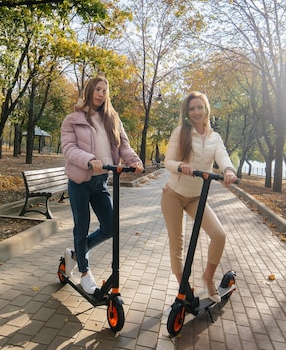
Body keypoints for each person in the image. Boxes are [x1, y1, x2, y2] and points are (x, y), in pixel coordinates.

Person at [61, 76, 144, 294]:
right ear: (89, 90)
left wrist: (133, 160)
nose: (100, 94)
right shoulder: (73, 119)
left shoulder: (112, 119)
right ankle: (85, 273)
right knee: (82, 228)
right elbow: (68, 149)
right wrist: (89, 159)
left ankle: (77, 253)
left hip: (101, 183)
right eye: (97, 89)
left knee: (110, 228)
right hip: (80, 182)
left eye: (104, 90)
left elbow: (123, 145)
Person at [161, 91, 238, 302]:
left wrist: (228, 170)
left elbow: (222, 156)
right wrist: (180, 166)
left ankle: (208, 277)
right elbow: (168, 161)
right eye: (192, 108)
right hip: (174, 195)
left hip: (197, 197)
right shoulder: (181, 132)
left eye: (200, 107)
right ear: (187, 111)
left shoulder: (214, 137)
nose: (196, 112)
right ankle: (184, 287)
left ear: (206, 109)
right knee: (177, 243)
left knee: (219, 235)